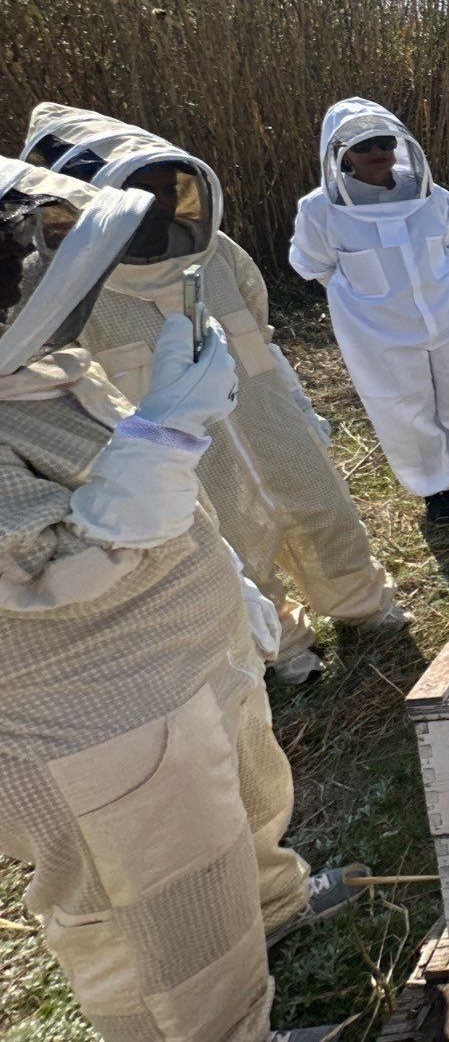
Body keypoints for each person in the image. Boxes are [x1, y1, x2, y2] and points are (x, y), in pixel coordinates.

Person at [0, 156, 363, 1041]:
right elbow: (49, 568)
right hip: (95, 724)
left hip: (185, 663)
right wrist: (164, 427)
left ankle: (272, 909)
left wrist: (226, 582)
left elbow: (129, 492)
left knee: (243, 805)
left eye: (18, 241)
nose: (22, 264)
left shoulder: (39, 363)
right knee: (161, 916)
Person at [22, 104, 402, 686]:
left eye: (166, 189)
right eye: (138, 192)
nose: (160, 206)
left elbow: (260, 328)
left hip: (266, 414)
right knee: (233, 544)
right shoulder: (64, 288)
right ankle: (283, 644)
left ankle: (364, 606)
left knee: (323, 505)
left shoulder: (217, 251)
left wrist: (298, 406)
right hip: (182, 448)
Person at [290, 98, 449, 527]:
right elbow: (314, 265)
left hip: (448, 318)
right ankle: (436, 491)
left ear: (400, 144)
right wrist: (368, 304)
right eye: (364, 145)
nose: (377, 152)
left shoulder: (432, 196)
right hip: (378, 334)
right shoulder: (319, 209)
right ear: (342, 154)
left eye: (384, 141)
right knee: (403, 409)